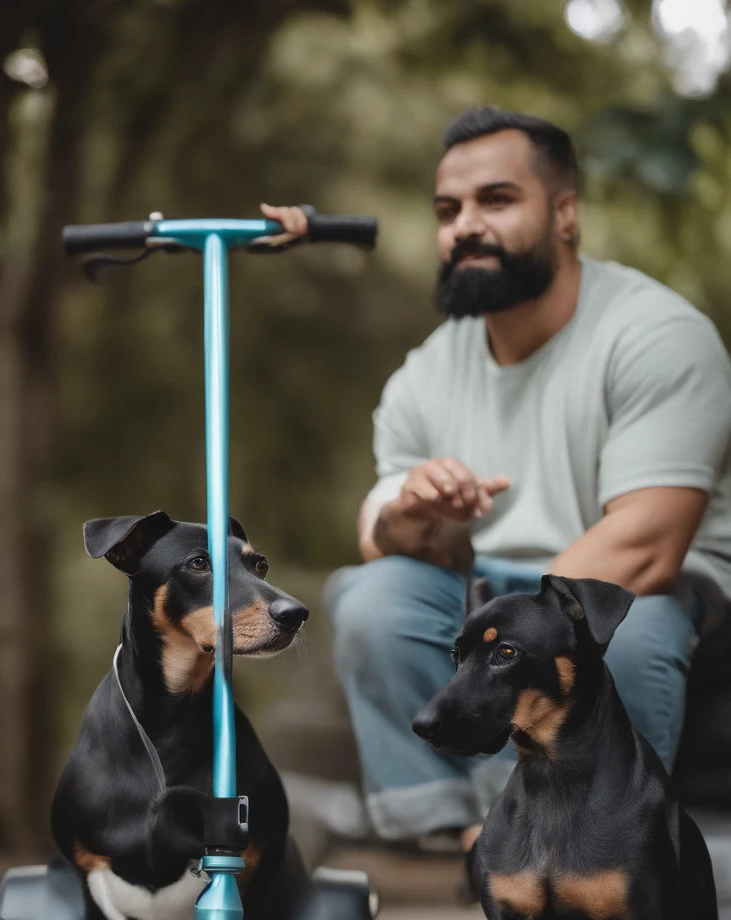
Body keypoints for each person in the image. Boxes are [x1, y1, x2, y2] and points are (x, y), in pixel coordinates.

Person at [260, 106, 731, 846]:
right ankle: (475, 841)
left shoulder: (658, 337)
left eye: (497, 200)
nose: (464, 226)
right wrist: (414, 515)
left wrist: (496, 643)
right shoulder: (425, 373)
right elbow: (379, 537)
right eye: (448, 210)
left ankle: (595, 847)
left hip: (629, 594)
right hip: (492, 592)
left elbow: (648, 545)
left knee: (630, 634)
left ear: (566, 215)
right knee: (371, 599)